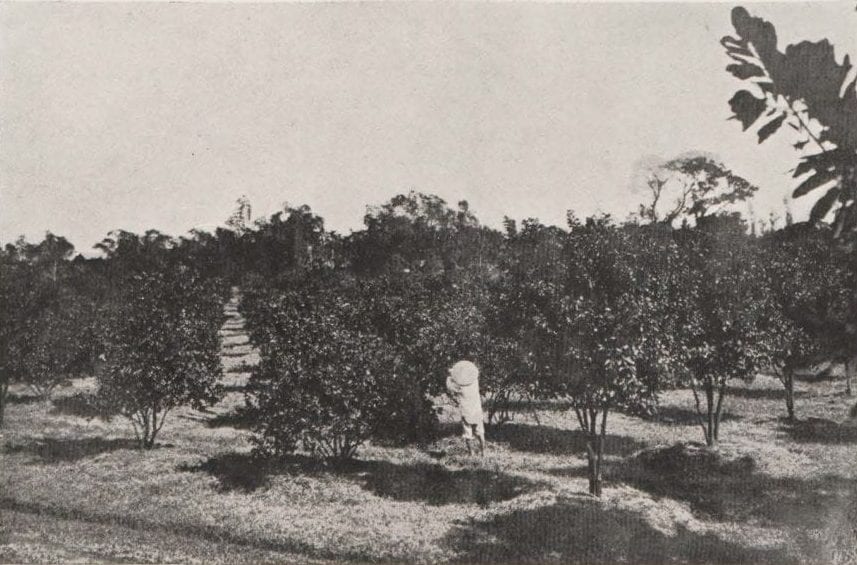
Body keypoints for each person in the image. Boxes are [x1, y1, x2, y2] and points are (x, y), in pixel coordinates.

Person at [446, 360, 485, 456]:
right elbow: (474, 372)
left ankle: (471, 453)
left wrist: (450, 374)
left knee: (468, 434)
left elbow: (449, 385)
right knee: (480, 433)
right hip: (477, 411)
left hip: (466, 412)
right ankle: (483, 452)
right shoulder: (475, 382)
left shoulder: (459, 387)